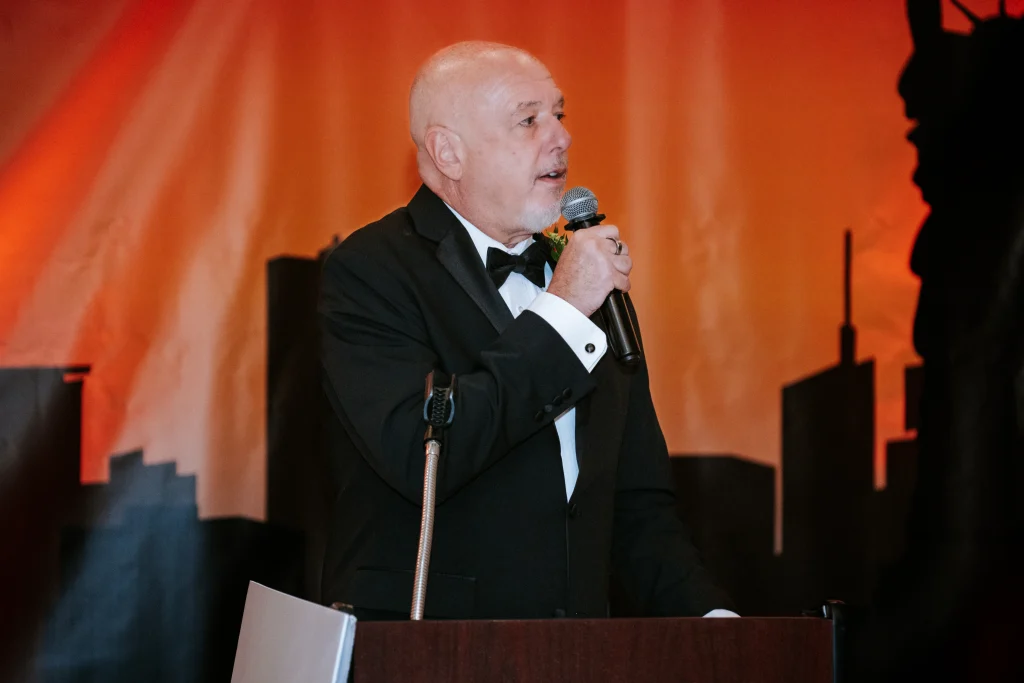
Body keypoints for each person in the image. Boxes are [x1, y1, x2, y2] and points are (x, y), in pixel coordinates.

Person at [318, 41, 735, 620]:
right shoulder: (370, 270)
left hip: (579, 648)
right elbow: (425, 458)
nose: (562, 137)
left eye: (559, 114)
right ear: (448, 152)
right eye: (528, 120)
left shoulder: (582, 272)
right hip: (433, 643)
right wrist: (563, 312)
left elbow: (633, 500)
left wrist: (714, 625)